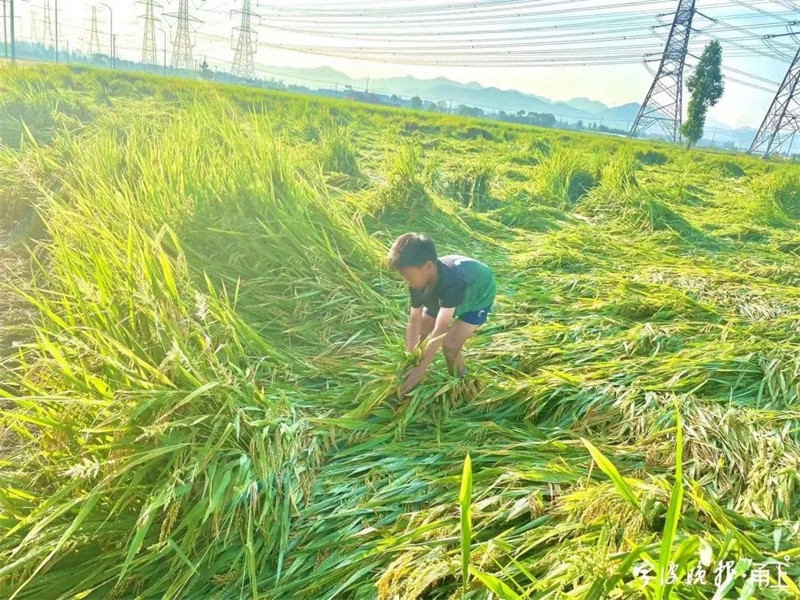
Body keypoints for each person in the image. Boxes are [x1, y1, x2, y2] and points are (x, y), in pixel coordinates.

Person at [387, 232, 496, 395]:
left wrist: (421, 369)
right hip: (442, 296)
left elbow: (441, 328)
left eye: (407, 275)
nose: (406, 280)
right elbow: (414, 321)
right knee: (422, 332)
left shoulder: (453, 281)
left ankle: (461, 384)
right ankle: (412, 380)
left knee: (450, 346)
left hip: (476, 296)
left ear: (428, 266)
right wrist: (409, 359)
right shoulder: (417, 281)